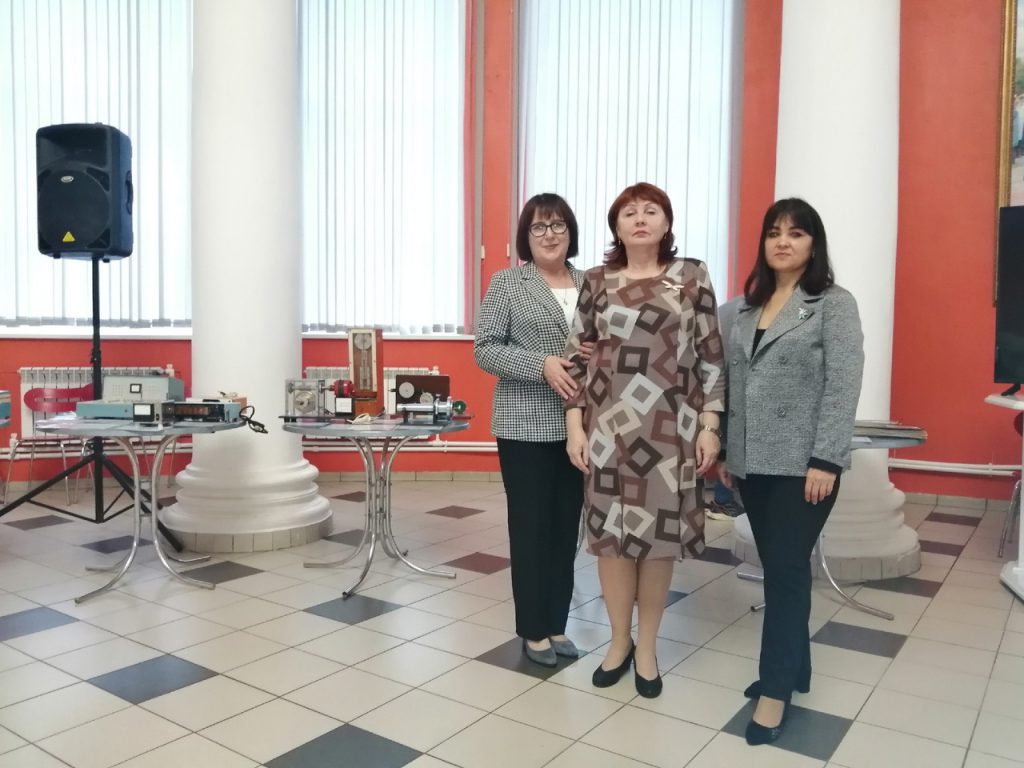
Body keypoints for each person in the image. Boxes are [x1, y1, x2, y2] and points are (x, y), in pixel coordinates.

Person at [563, 182, 725, 698]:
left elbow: (712, 356)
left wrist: (710, 425)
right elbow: (577, 356)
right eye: (629, 212)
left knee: (657, 544)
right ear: (616, 225)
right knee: (611, 541)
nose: (640, 219)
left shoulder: (691, 276)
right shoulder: (596, 281)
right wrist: (574, 426)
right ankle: (618, 642)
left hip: (671, 430)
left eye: (650, 211)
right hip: (608, 429)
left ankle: (648, 647)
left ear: (666, 222)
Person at [718, 198, 864, 745]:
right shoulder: (750, 307)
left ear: (813, 243)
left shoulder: (833, 304)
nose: (783, 242)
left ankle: (775, 689)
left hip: (804, 467)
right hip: (752, 463)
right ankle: (794, 669)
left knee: (782, 573)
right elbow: (734, 386)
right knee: (785, 569)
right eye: (774, 232)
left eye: (796, 233)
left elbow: (843, 384)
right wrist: (730, 453)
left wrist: (826, 458)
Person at [475, 192, 592, 668]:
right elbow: (485, 349)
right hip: (524, 424)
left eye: (558, 225)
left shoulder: (591, 283)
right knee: (530, 528)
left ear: (571, 233)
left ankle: (557, 623)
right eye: (539, 226)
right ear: (526, 235)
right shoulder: (507, 283)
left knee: (566, 528)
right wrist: (540, 364)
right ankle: (532, 628)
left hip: (581, 425)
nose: (549, 234)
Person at [706, 296, 745, 520]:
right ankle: (723, 501)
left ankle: (723, 500)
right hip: (733, 387)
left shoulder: (726, 308)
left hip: (718, 386)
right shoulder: (750, 309)